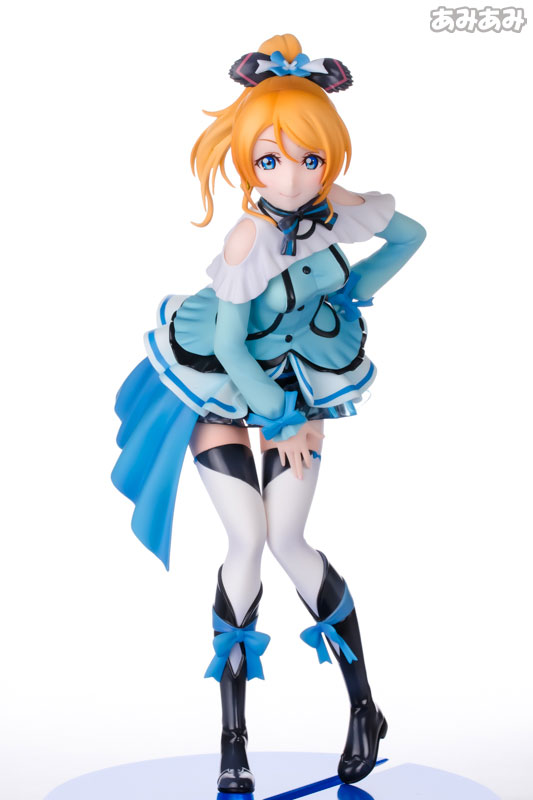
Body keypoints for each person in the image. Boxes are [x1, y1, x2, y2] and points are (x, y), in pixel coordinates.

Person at [112, 33, 426, 794]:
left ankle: (365, 708)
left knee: (290, 540)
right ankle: (233, 736)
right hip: (225, 388)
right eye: (270, 160)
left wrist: (352, 274)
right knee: (247, 540)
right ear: (247, 161)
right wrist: (283, 418)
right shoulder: (248, 237)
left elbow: (410, 235)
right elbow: (230, 345)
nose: (290, 177)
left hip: (300, 385)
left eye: (309, 159)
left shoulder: (328, 214)